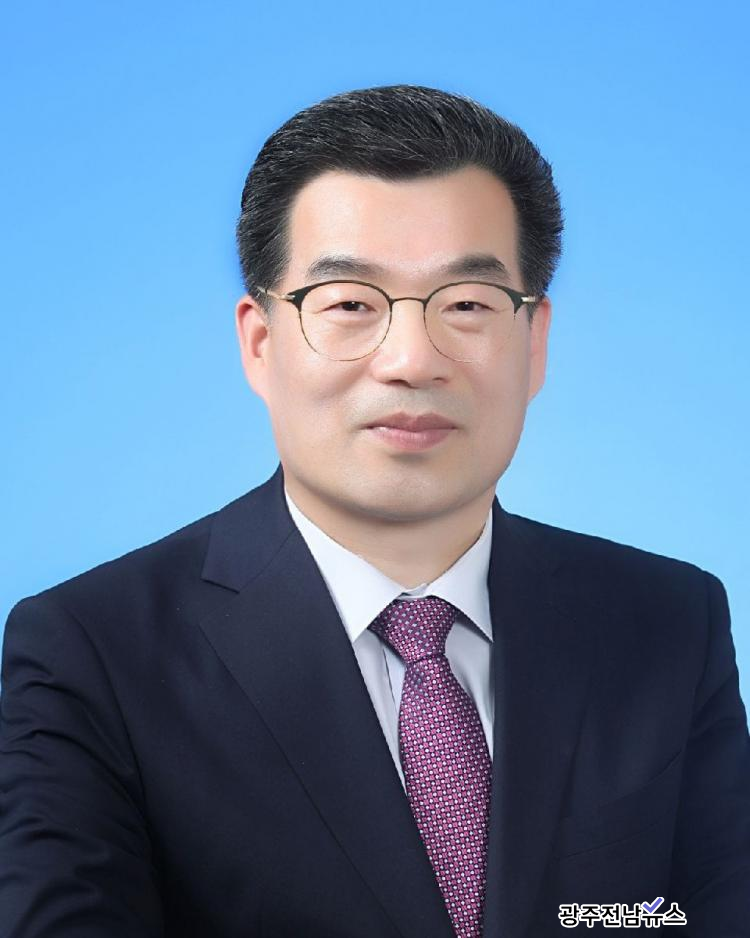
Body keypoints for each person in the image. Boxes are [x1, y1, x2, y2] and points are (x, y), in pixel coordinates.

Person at [1, 84, 748, 938]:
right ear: (260, 342)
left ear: (534, 340)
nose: (411, 359)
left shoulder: (667, 623)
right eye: (351, 304)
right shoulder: (92, 653)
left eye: (466, 305)